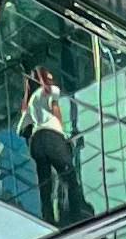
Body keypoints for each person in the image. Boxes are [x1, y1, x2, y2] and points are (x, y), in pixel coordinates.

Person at [21, 72, 89, 225]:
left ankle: (48, 217)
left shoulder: (30, 103)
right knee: (70, 179)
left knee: (45, 184)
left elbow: (24, 126)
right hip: (52, 139)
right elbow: (56, 111)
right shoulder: (50, 94)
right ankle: (75, 215)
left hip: (37, 143)